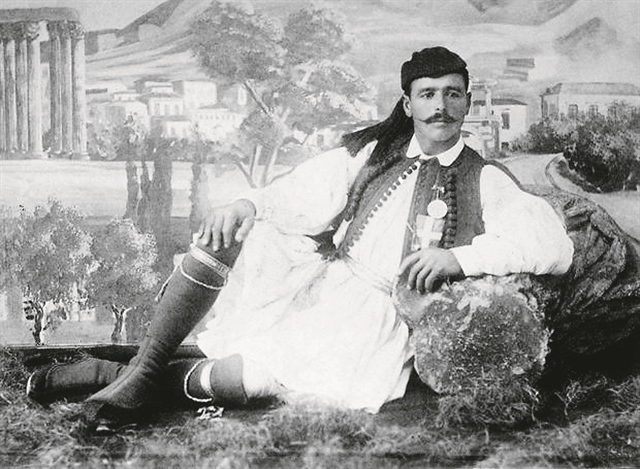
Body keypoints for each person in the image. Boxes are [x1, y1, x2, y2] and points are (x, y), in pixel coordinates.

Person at [27, 46, 573, 421]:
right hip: (320, 285)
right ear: (408, 104)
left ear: (468, 103)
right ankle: (143, 371)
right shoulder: (373, 154)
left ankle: (108, 373)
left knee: (249, 381)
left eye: (453, 94)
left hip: (376, 321)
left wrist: (461, 259)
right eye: (428, 94)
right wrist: (247, 202)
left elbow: (553, 245)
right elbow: (300, 193)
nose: (441, 106)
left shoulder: (483, 177)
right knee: (229, 230)